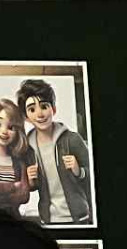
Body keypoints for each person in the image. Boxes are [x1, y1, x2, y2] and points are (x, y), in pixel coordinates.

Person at [18, 78, 93, 225]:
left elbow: (94, 176)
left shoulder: (72, 139)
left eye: (44, 106)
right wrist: (31, 181)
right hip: (48, 219)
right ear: (26, 117)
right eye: (32, 109)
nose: (40, 114)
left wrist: (79, 171)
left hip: (79, 217)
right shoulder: (28, 148)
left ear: (53, 109)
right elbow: (33, 187)